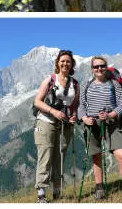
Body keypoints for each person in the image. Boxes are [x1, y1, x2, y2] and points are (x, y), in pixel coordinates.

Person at [78, 56, 122, 203]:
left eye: (102, 66)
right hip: (91, 124)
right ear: (92, 69)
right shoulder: (86, 85)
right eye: (96, 66)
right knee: (96, 156)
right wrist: (84, 118)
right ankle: (99, 189)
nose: (99, 69)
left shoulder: (114, 84)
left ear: (106, 67)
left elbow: (121, 105)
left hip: (111, 123)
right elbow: (81, 106)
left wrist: (110, 115)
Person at [33, 49, 80, 203]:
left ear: (72, 64)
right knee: (45, 156)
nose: (65, 63)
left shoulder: (75, 84)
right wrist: (53, 111)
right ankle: (41, 194)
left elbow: (75, 105)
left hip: (65, 124)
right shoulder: (50, 79)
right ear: (58, 63)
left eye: (68, 61)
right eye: (62, 61)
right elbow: (37, 101)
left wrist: (74, 116)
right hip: (46, 122)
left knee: (59, 157)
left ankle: (57, 192)